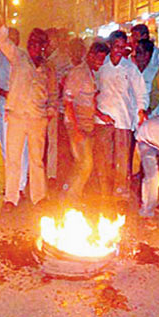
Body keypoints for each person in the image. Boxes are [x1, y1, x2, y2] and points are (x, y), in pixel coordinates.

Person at [0, 23, 58, 210]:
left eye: (38, 43)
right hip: (16, 116)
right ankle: (11, 198)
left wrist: (50, 112)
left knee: (36, 160)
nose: (33, 45)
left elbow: (53, 94)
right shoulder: (18, 56)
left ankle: (38, 196)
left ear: (43, 46)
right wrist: (2, 28)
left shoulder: (48, 68)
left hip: (37, 118)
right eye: (31, 42)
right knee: (13, 159)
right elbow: (2, 41)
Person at [94, 30, 148, 199]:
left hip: (123, 121)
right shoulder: (100, 65)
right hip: (102, 121)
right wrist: (97, 112)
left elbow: (141, 92)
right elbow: (92, 90)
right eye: (116, 46)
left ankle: (120, 193)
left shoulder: (130, 68)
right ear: (110, 46)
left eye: (123, 47)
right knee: (103, 159)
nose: (119, 50)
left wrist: (140, 110)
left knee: (122, 161)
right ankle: (103, 192)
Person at [0, 27, 30, 198]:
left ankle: (21, 185)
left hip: (22, 108)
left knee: (23, 147)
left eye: (14, 38)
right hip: (4, 106)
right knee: (7, 147)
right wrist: (4, 92)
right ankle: (12, 185)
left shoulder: (24, 57)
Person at [62, 39, 98, 201]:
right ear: (90, 56)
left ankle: (69, 195)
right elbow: (68, 102)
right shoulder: (78, 73)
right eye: (98, 58)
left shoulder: (89, 72)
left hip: (86, 123)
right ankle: (71, 198)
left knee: (81, 163)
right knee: (86, 164)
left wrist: (100, 115)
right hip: (77, 124)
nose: (101, 62)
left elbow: (88, 100)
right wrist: (75, 130)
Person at [45, 28, 73, 185]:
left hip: (56, 105)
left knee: (54, 142)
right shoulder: (41, 58)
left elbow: (65, 82)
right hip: (40, 105)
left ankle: (52, 174)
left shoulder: (62, 59)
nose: (49, 43)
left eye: (51, 40)